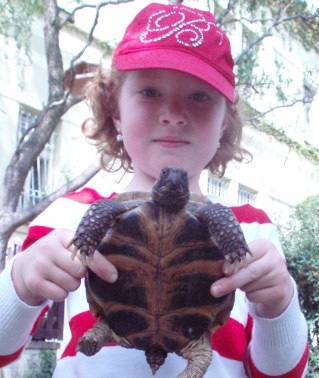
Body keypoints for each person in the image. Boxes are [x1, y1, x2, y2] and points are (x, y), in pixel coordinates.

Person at [0, 3, 309, 377]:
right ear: (115, 110)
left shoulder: (252, 230)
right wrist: (21, 283)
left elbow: (281, 373)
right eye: (149, 91)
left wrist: (278, 305)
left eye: (199, 96)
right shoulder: (71, 216)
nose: (174, 113)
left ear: (224, 123)